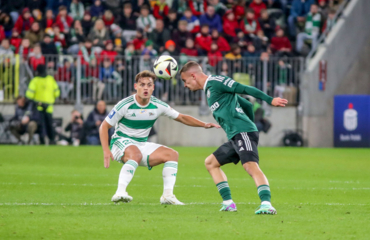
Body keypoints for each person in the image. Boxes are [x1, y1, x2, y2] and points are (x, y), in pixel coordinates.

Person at [180, 61, 288, 213]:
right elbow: (247, 106)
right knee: (211, 163)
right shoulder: (211, 91)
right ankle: (229, 203)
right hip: (236, 135)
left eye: (185, 81)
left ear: (193, 76)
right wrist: (250, 126)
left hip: (242, 132)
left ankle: (267, 204)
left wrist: (269, 100)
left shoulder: (216, 82)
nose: (185, 85)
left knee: (250, 165)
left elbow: (244, 88)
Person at [99, 70, 220, 204]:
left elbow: (181, 117)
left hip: (141, 145)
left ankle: (167, 196)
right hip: (120, 142)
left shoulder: (158, 105)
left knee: (172, 155)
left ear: (153, 88)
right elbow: (104, 126)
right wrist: (106, 150)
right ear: (135, 87)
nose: (145, 88)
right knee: (135, 154)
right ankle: (120, 192)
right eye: (142, 84)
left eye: (149, 85)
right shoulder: (125, 104)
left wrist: (204, 124)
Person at [26, 64, 60, 145]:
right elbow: (57, 93)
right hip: (48, 107)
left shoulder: (35, 80)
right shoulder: (51, 79)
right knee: (49, 125)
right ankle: (52, 141)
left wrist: (38, 102)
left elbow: (29, 96)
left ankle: (43, 142)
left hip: (39, 107)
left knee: (42, 126)